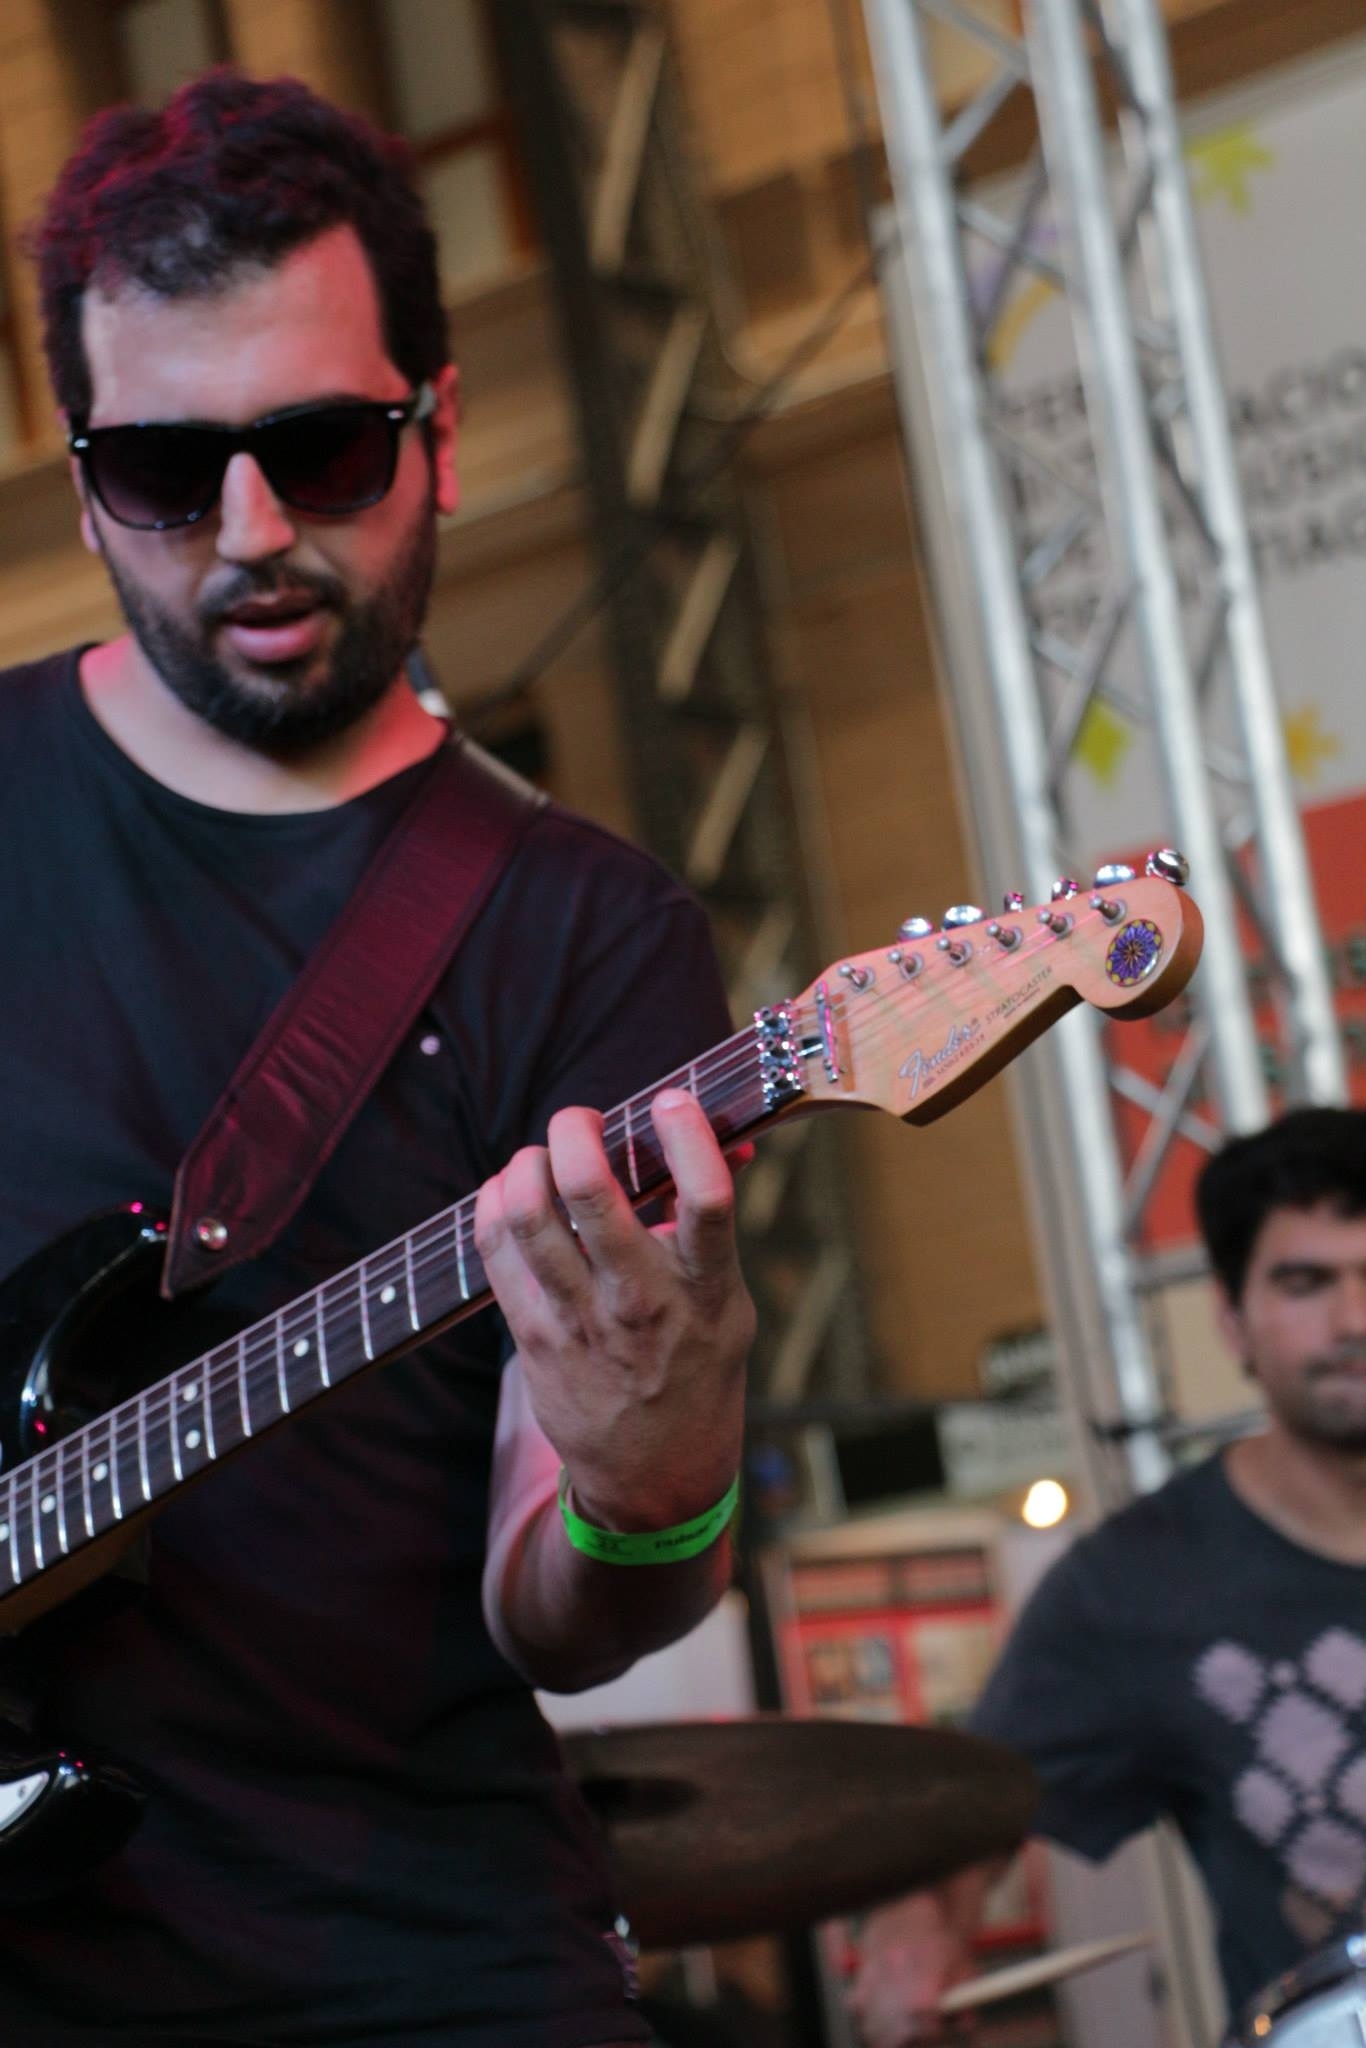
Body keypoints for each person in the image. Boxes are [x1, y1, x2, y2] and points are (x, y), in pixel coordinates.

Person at [0, 70, 757, 2047]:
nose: (251, 535)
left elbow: (560, 1605)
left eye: (321, 449)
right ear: (83, 483)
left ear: (441, 427)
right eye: (165, 473)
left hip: (412, 1969)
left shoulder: (586, 933)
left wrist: (649, 1490)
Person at [850, 1107, 1366, 2046]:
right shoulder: (1139, 1585)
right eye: (1306, 1282)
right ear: (1231, 1320)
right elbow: (969, 1812)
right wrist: (914, 1936)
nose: (1354, 1320)